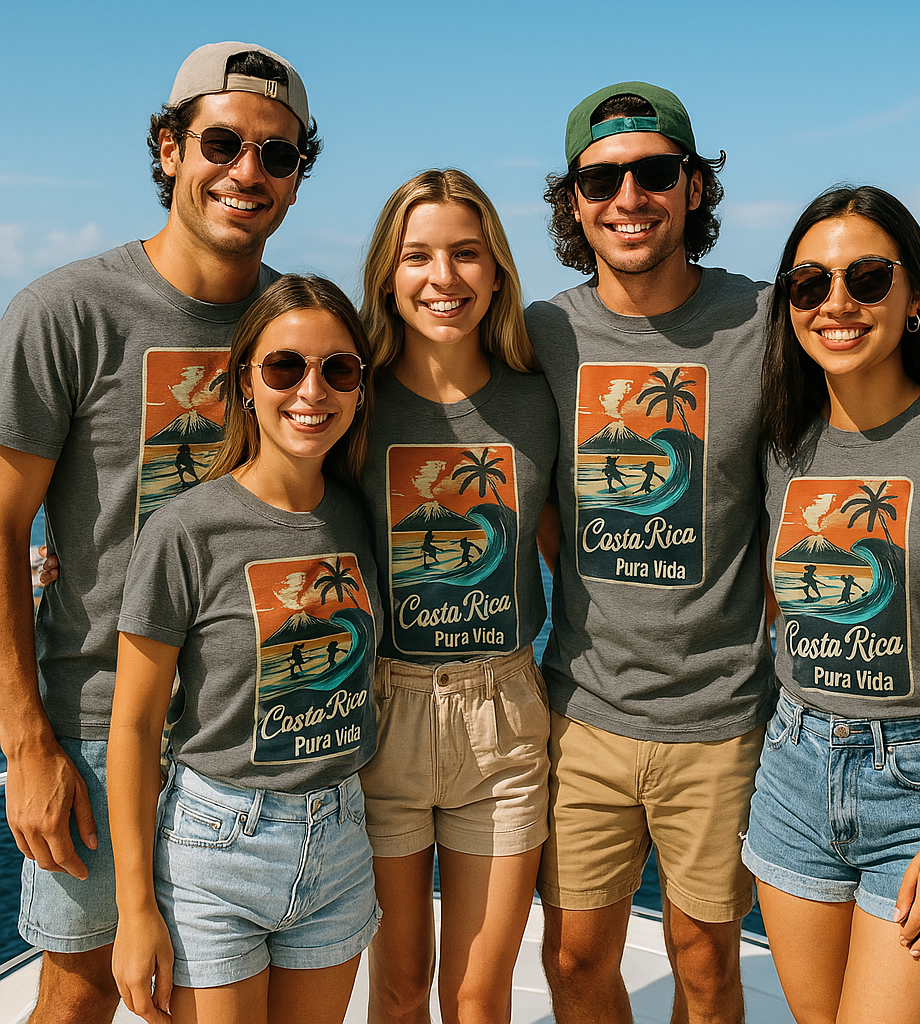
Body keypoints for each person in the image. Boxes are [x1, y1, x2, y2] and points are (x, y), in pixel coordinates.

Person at [0, 41, 317, 1024]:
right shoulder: (67, 311)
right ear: (170, 147)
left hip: (256, 735)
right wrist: (27, 743)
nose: (246, 173)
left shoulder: (298, 333)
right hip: (99, 723)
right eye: (221, 143)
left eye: (277, 154)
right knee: (84, 986)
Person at [744, 186, 920, 1024]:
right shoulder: (780, 445)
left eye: (867, 278)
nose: (837, 303)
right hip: (792, 770)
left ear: (916, 300)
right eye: (809, 284)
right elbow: (773, 611)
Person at [527, 81, 774, 1024]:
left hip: (721, 714)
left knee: (706, 964)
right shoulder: (545, 333)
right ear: (575, 202)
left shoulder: (763, 321)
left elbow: (877, 399)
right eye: (601, 181)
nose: (628, 198)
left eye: (654, 172)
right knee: (575, 957)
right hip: (583, 708)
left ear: (694, 189)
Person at [108, 274, 381, 1024]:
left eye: (339, 369)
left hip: (339, 841)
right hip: (217, 846)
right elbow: (132, 726)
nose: (311, 391)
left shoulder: (359, 514)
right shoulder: (186, 531)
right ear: (244, 382)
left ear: (359, 387)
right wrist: (135, 909)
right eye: (285, 367)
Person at [357, 168, 558, 1023]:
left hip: (503, 713)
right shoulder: (344, 397)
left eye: (467, 254)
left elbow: (574, 542)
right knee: (399, 990)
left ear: (499, 270)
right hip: (377, 714)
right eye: (419, 256)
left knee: (477, 998)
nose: (444, 278)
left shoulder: (541, 394)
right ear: (387, 275)